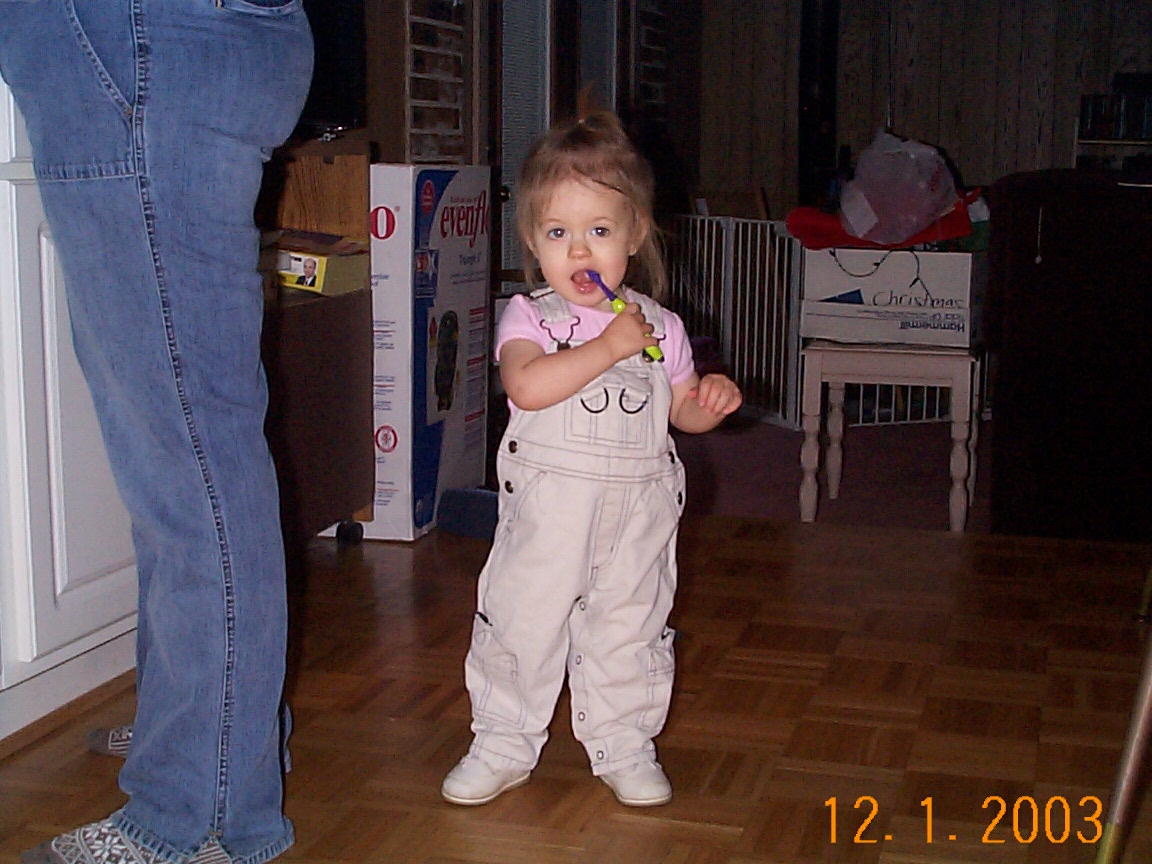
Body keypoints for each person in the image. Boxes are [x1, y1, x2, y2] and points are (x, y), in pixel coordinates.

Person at [0, 3, 313, 864]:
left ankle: (198, 813)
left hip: (138, 41)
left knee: (188, 464)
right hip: (186, 38)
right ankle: (214, 737)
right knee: (187, 451)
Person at [440, 110, 742, 809]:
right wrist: (606, 347)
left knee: (629, 628)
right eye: (558, 234)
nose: (579, 251)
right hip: (548, 518)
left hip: (637, 519)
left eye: (599, 232)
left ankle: (625, 743)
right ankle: (503, 742)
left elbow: (680, 409)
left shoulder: (660, 326)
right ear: (532, 241)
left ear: (634, 234)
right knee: (523, 622)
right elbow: (526, 386)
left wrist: (710, 400)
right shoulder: (530, 317)